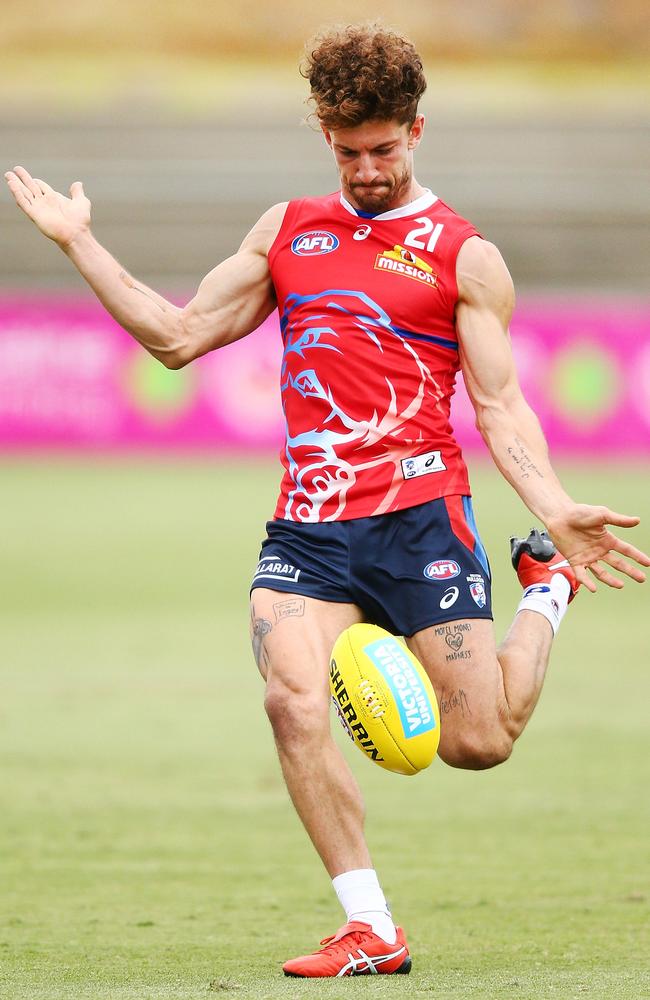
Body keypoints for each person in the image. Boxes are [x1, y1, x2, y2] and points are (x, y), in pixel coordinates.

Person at [5, 21, 649, 979]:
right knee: (289, 698)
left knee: (479, 742)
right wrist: (81, 243)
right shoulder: (289, 232)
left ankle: (542, 590)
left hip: (421, 520)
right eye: (349, 152)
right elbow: (178, 338)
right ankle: (371, 927)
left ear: (418, 133)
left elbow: (499, 401)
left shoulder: (463, 255)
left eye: (385, 150)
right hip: (308, 532)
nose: (369, 171)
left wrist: (552, 506)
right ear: (325, 136)